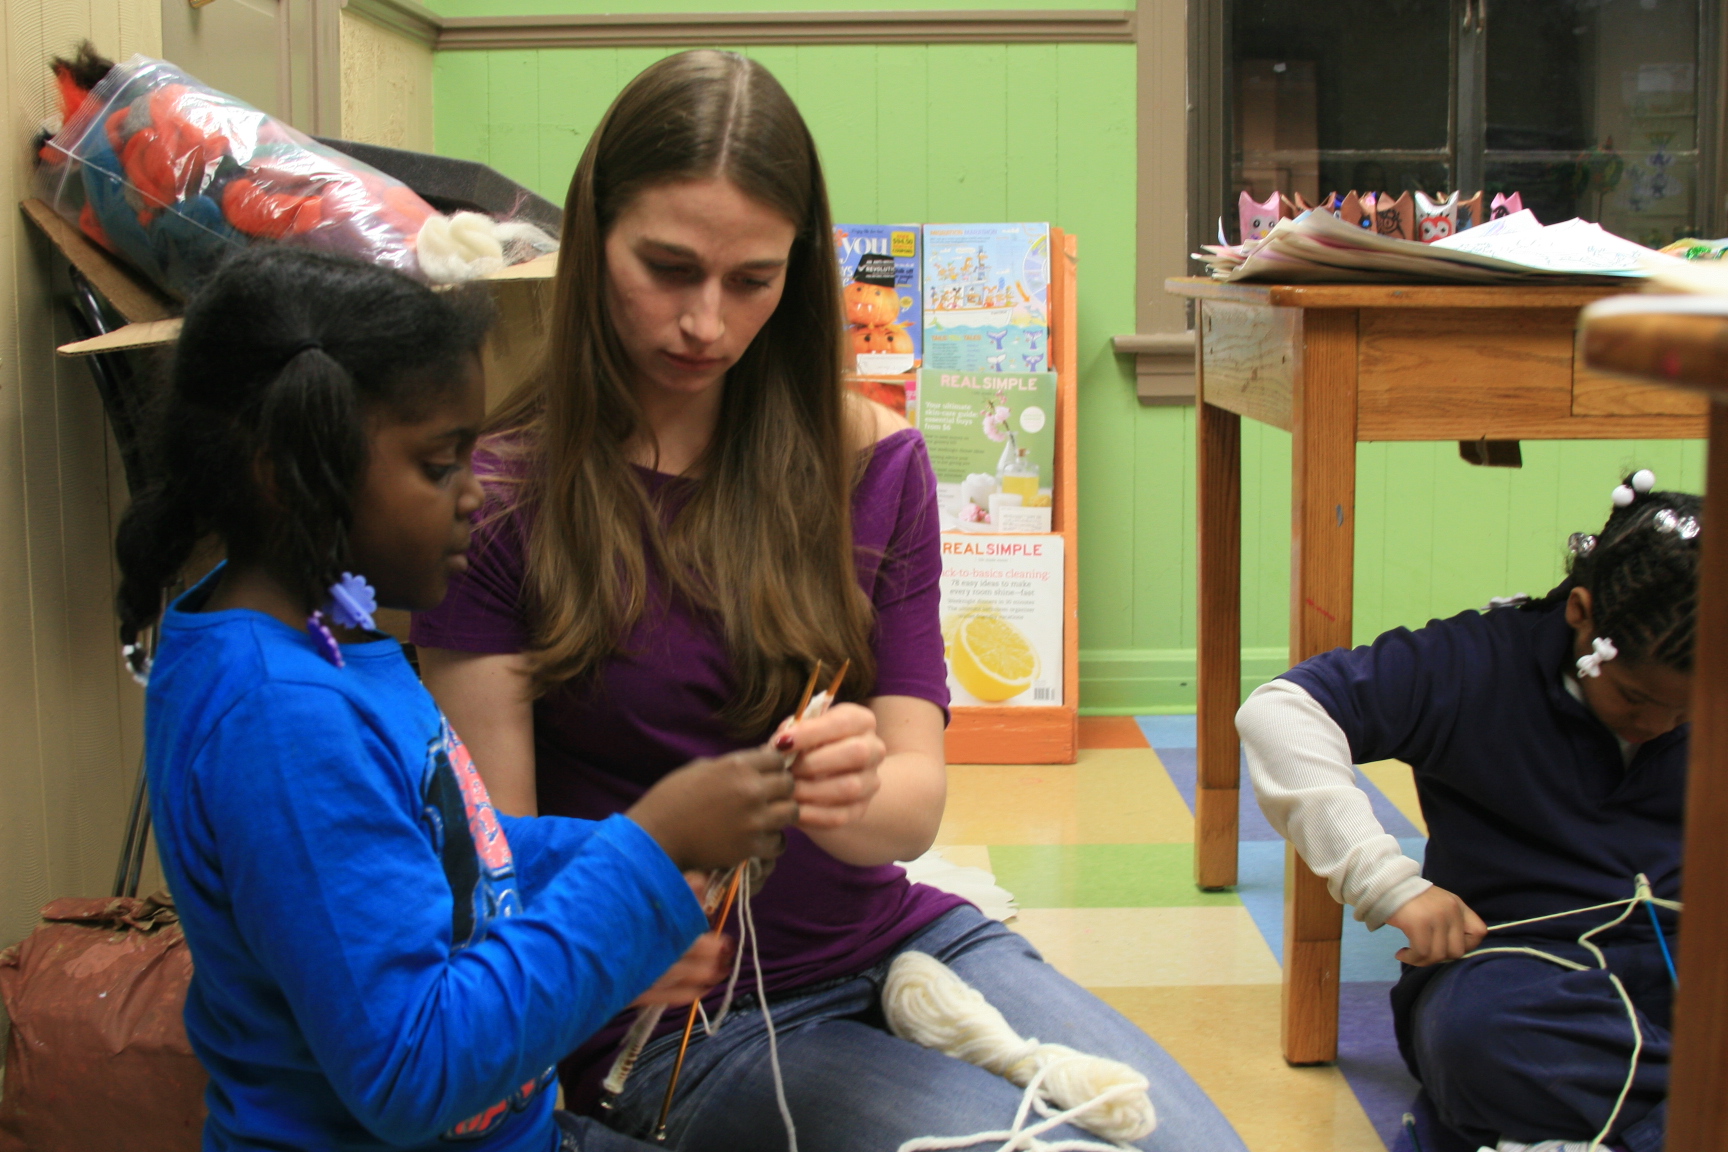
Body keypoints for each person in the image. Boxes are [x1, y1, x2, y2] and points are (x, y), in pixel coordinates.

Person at [412, 49, 1246, 1152]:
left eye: (752, 281)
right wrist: (615, 929)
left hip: (899, 944)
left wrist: (850, 793)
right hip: (677, 1025)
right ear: (595, 237)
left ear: (800, 276)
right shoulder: (499, 499)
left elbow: (913, 807)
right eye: (667, 268)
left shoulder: (875, 463)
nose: (705, 323)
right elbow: (499, 869)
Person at [119, 247, 802, 1152]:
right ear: (287, 474)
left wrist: (627, 855)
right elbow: (414, 1072)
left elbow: (446, 853)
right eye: (440, 464)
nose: (476, 493)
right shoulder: (283, 718)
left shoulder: (321, 635)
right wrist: (647, 854)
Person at [1238, 471, 1699, 1152]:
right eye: (1637, 698)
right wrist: (1385, 882)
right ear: (1581, 612)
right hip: (1520, 974)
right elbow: (1281, 713)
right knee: (1475, 1037)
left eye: (1692, 711)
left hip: (1696, 962)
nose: (1663, 726)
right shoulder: (1474, 663)